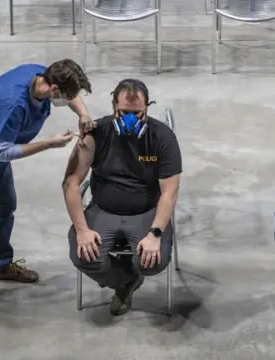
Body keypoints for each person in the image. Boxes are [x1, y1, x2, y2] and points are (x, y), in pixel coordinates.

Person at [0, 59, 95, 318]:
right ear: (54, 90)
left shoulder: (41, 74)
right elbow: (2, 152)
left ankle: (0, 266)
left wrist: (83, 113)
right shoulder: (12, 105)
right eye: (68, 96)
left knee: (5, 206)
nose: (71, 100)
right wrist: (48, 144)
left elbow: (70, 95)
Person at [62, 79, 182, 316]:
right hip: (104, 209)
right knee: (84, 255)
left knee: (153, 262)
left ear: (147, 107)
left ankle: (131, 275)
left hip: (145, 211)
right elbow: (71, 182)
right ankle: (126, 280)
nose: (130, 119)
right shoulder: (96, 133)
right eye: (124, 113)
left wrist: (155, 233)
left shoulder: (162, 137)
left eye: (137, 113)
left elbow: (170, 191)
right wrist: (82, 229)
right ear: (114, 107)